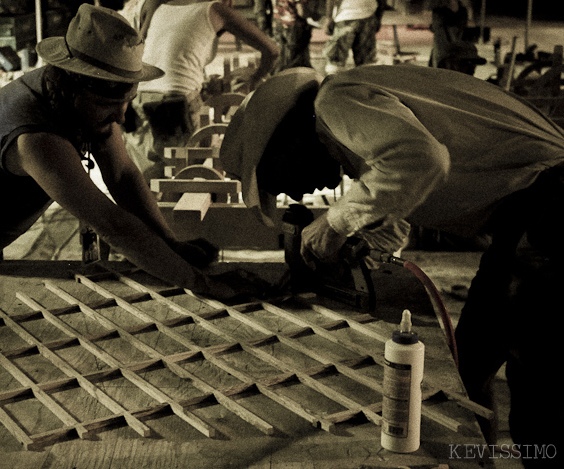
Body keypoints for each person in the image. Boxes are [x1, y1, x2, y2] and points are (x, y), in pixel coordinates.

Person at [220, 67, 564, 466]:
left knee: (541, 399)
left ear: (285, 141)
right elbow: (403, 191)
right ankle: (478, 460)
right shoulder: (351, 122)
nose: (297, 192)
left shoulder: (335, 101)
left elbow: (424, 160)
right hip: (530, 219)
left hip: (550, 212)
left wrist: (334, 223)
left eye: (281, 180)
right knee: (466, 371)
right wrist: (363, 237)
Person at [0, 5, 264, 328]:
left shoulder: (85, 104)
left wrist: (172, 244)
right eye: (112, 106)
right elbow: (112, 221)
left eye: (127, 102)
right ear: (76, 85)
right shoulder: (34, 135)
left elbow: (123, 177)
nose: (122, 119)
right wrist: (199, 282)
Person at [123, 0, 279, 181]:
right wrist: (254, 79)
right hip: (175, 101)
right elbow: (272, 51)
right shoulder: (216, 9)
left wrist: (204, 88)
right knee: (189, 172)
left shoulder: (164, 7)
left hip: (140, 95)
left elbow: (171, 65)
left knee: (157, 170)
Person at [322, 0, 384, 74]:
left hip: (346, 16)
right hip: (367, 15)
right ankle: (365, 82)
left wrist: (329, 18)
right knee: (366, 62)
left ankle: (334, 82)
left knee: (335, 61)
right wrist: (378, 17)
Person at [271, 0, 313, 72]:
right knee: (295, 60)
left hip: (277, 24)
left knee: (280, 57)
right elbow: (302, 12)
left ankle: (278, 77)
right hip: (293, 26)